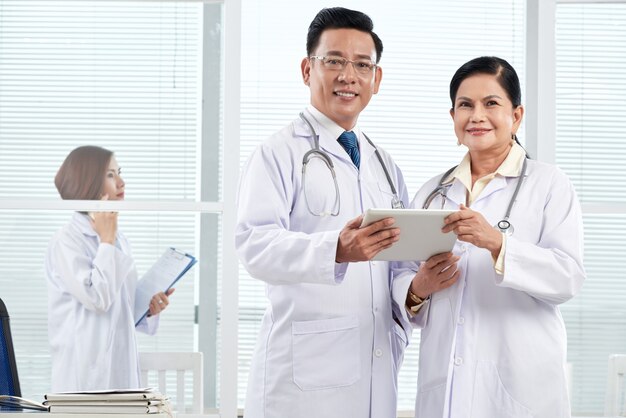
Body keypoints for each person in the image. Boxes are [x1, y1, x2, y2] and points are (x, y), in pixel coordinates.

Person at [235, 7, 435, 418]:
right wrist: (336, 250)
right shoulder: (277, 153)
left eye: (362, 65)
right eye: (334, 61)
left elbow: (396, 267)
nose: (349, 76)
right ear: (307, 69)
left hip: (375, 368)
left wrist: (416, 289)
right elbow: (254, 245)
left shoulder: (385, 165)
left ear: (376, 79)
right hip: (303, 382)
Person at [395, 56, 586, 418]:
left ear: (516, 116)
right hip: (446, 390)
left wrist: (497, 244)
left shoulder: (549, 185)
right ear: (452, 117)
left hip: (520, 392)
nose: (476, 115)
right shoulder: (431, 194)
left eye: (491, 103)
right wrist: (418, 287)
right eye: (465, 105)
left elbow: (567, 277)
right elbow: (403, 286)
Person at [45, 145, 174, 392]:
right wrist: (106, 240)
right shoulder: (67, 241)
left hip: (119, 369)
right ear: (88, 182)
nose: (122, 182)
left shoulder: (118, 239)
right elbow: (97, 299)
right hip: (83, 374)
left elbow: (120, 306)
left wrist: (148, 308)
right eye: (111, 175)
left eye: (119, 172)